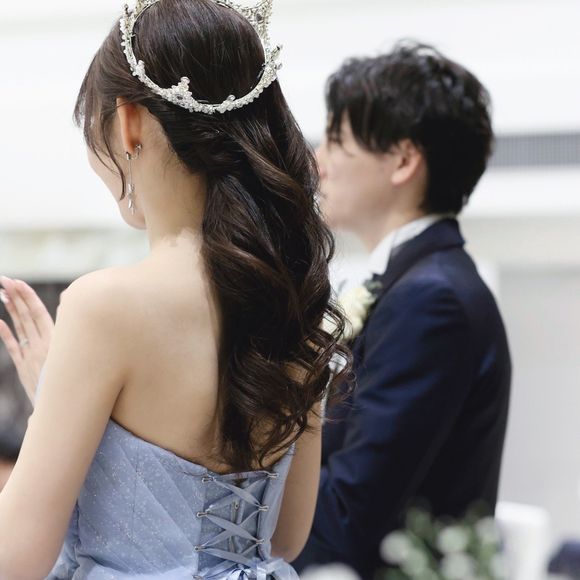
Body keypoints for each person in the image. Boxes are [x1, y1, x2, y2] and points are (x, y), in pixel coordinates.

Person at [0, 0, 350, 577]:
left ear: (129, 122)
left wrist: (54, 409)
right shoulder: (296, 302)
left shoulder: (105, 307)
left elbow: (15, 558)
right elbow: (286, 537)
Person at [293, 41, 512, 579]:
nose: (318, 161)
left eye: (337, 141)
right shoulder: (415, 284)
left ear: (404, 160)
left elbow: (352, 517)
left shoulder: (431, 301)